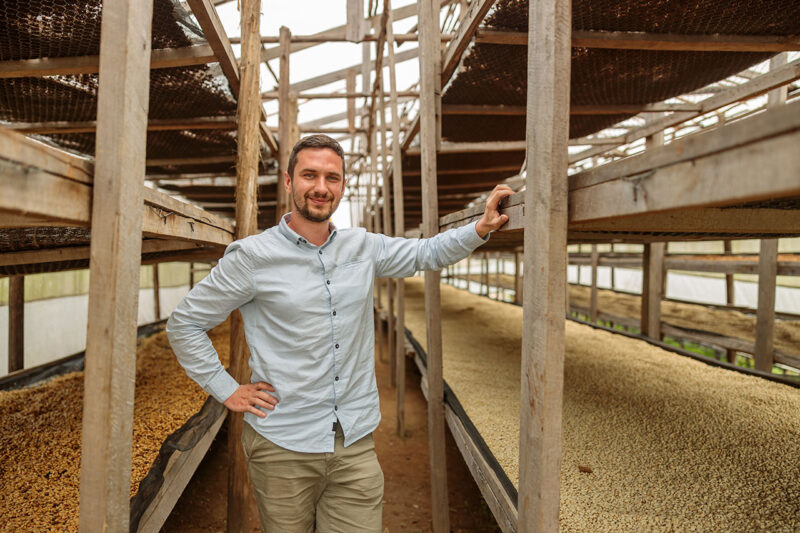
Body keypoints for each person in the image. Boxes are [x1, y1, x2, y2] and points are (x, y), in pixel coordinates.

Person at [166, 134, 513, 532]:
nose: (320, 187)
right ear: (289, 181)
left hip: (354, 441)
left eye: (332, 178)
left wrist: (480, 228)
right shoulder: (252, 258)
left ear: (342, 186)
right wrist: (226, 388)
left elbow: (425, 253)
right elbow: (185, 323)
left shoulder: (362, 246)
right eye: (309, 175)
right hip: (283, 443)